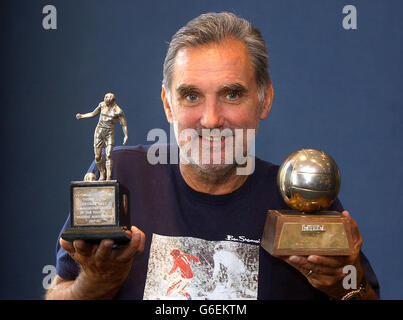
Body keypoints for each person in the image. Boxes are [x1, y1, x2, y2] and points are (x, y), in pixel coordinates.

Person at [46, 12, 379, 300]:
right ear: (167, 104)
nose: (211, 119)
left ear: (264, 100)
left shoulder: (303, 202)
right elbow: (60, 290)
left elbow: (361, 293)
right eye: (191, 95)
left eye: (232, 94)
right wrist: (94, 283)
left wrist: (346, 287)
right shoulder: (121, 175)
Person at [76, 92, 128, 181]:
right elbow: (93, 113)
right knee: (97, 156)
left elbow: (123, 124)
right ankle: (102, 173)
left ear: (113, 101)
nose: (106, 101)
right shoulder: (102, 105)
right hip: (99, 131)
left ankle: (108, 177)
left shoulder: (118, 111)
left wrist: (126, 135)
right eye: (106, 98)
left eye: (109, 100)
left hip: (109, 133)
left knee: (108, 155)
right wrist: (82, 116)